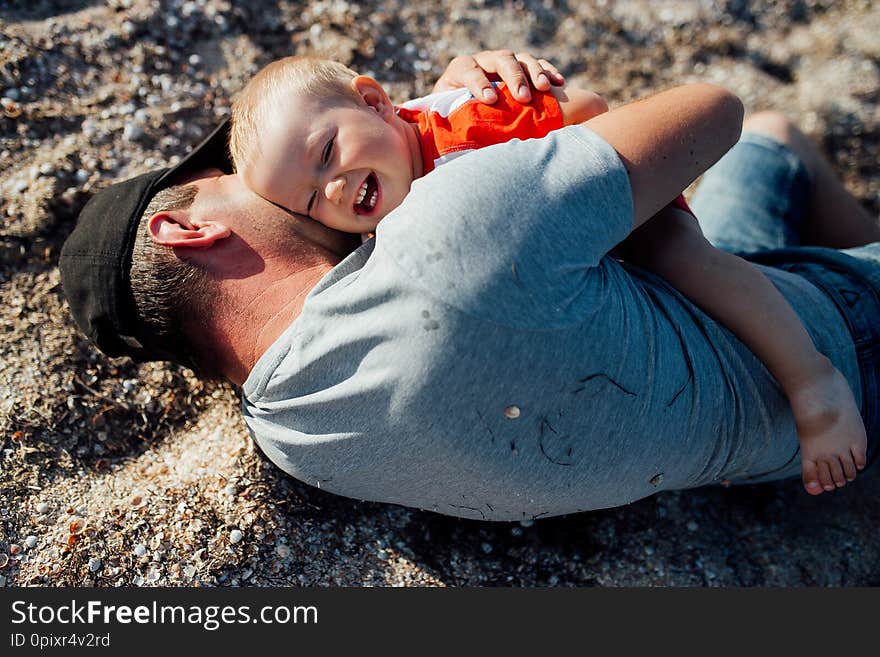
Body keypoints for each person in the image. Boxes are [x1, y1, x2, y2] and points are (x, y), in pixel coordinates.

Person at [59, 52, 880, 521]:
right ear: (188, 225)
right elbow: (713, 108)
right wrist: (469, 101)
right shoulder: (458, 230)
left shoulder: (289, 438)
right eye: (227, 177)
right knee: (763, 134)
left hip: (734, 449)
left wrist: (454, 102)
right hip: (836, 337)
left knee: (773, 147)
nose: (312, 192)